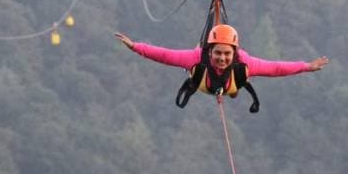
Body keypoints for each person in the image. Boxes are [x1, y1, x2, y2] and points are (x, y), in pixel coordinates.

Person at [115, 24, 328, 112]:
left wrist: (306, 66)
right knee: (195, 66)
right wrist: (136, 47)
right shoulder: (197, 58)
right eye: (218, 53)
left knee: (238, 80)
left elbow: (275, 68)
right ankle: (229, 89)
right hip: (203, 83)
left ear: (234, 53)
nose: (222, 58)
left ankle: (233, 90)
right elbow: (165, 55)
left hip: (231, 84)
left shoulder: (244, 63)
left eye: (227, 54)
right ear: (210, 51)